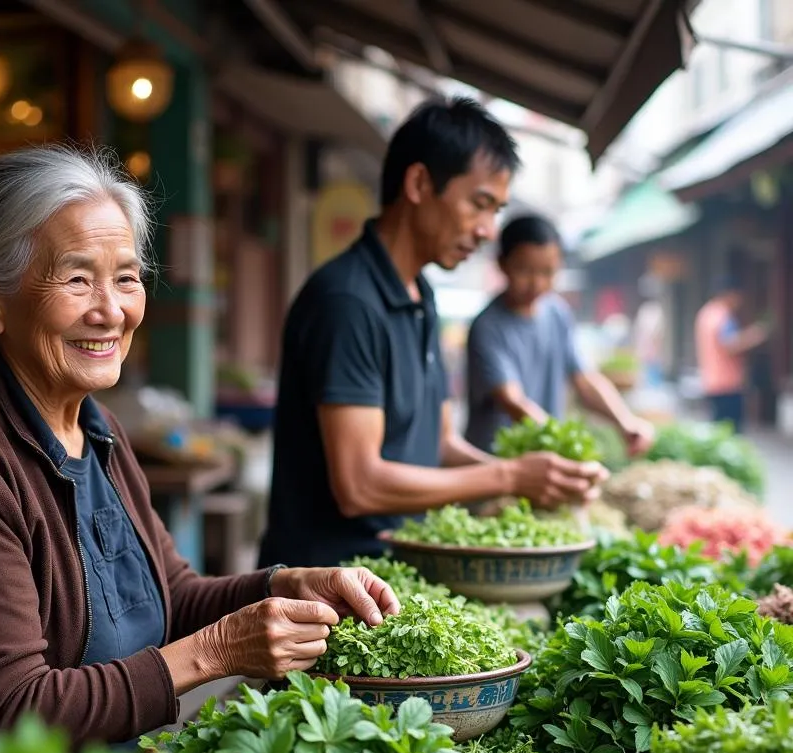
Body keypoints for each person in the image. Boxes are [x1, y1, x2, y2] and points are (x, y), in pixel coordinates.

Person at [0, 145, 399, 753]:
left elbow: (171, 594)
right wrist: (218, 653)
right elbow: (11, 712)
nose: (111, 310)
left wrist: (289, 583)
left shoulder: (96, 426)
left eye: (127, 277)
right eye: (78, 278)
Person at [258, 99, 604, 570]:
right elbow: (359, 484)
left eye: (497, 211)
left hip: (395, 573)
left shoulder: (422, 296)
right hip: (322, 589)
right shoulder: (347, 302)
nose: (487, 231)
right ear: (419, 183)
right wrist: (507, 476)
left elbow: (439, 445)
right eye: (479, 204)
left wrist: (545, 479)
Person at [464, 214, 656, 456]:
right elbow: (513, 401)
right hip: (493, 463)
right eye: (525, 270)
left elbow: (584, 381)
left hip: (545, 459)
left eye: (547, 272)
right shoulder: (488, 327)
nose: (536, 283)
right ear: (502, 264)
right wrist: (567, 447)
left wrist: (625, 422)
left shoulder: (557, 313)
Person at [695, 277, 769, 432]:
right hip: (727, 383)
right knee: (730, 430)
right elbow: (730, 345)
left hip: (711, 380)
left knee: (719, 428)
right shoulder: (722, 316)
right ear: (730, 295)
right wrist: (754, 335)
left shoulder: (706, 313)